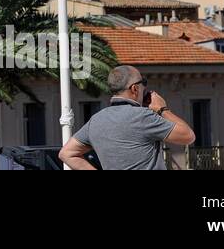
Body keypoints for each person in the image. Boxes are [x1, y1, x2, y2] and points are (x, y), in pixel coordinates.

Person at [59, 65, 196, 170]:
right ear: (134, 89)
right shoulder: (143, 117)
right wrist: (162, 109)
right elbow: (188, 136)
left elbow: (67, 153)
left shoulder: (96, 120)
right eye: (144, 83)